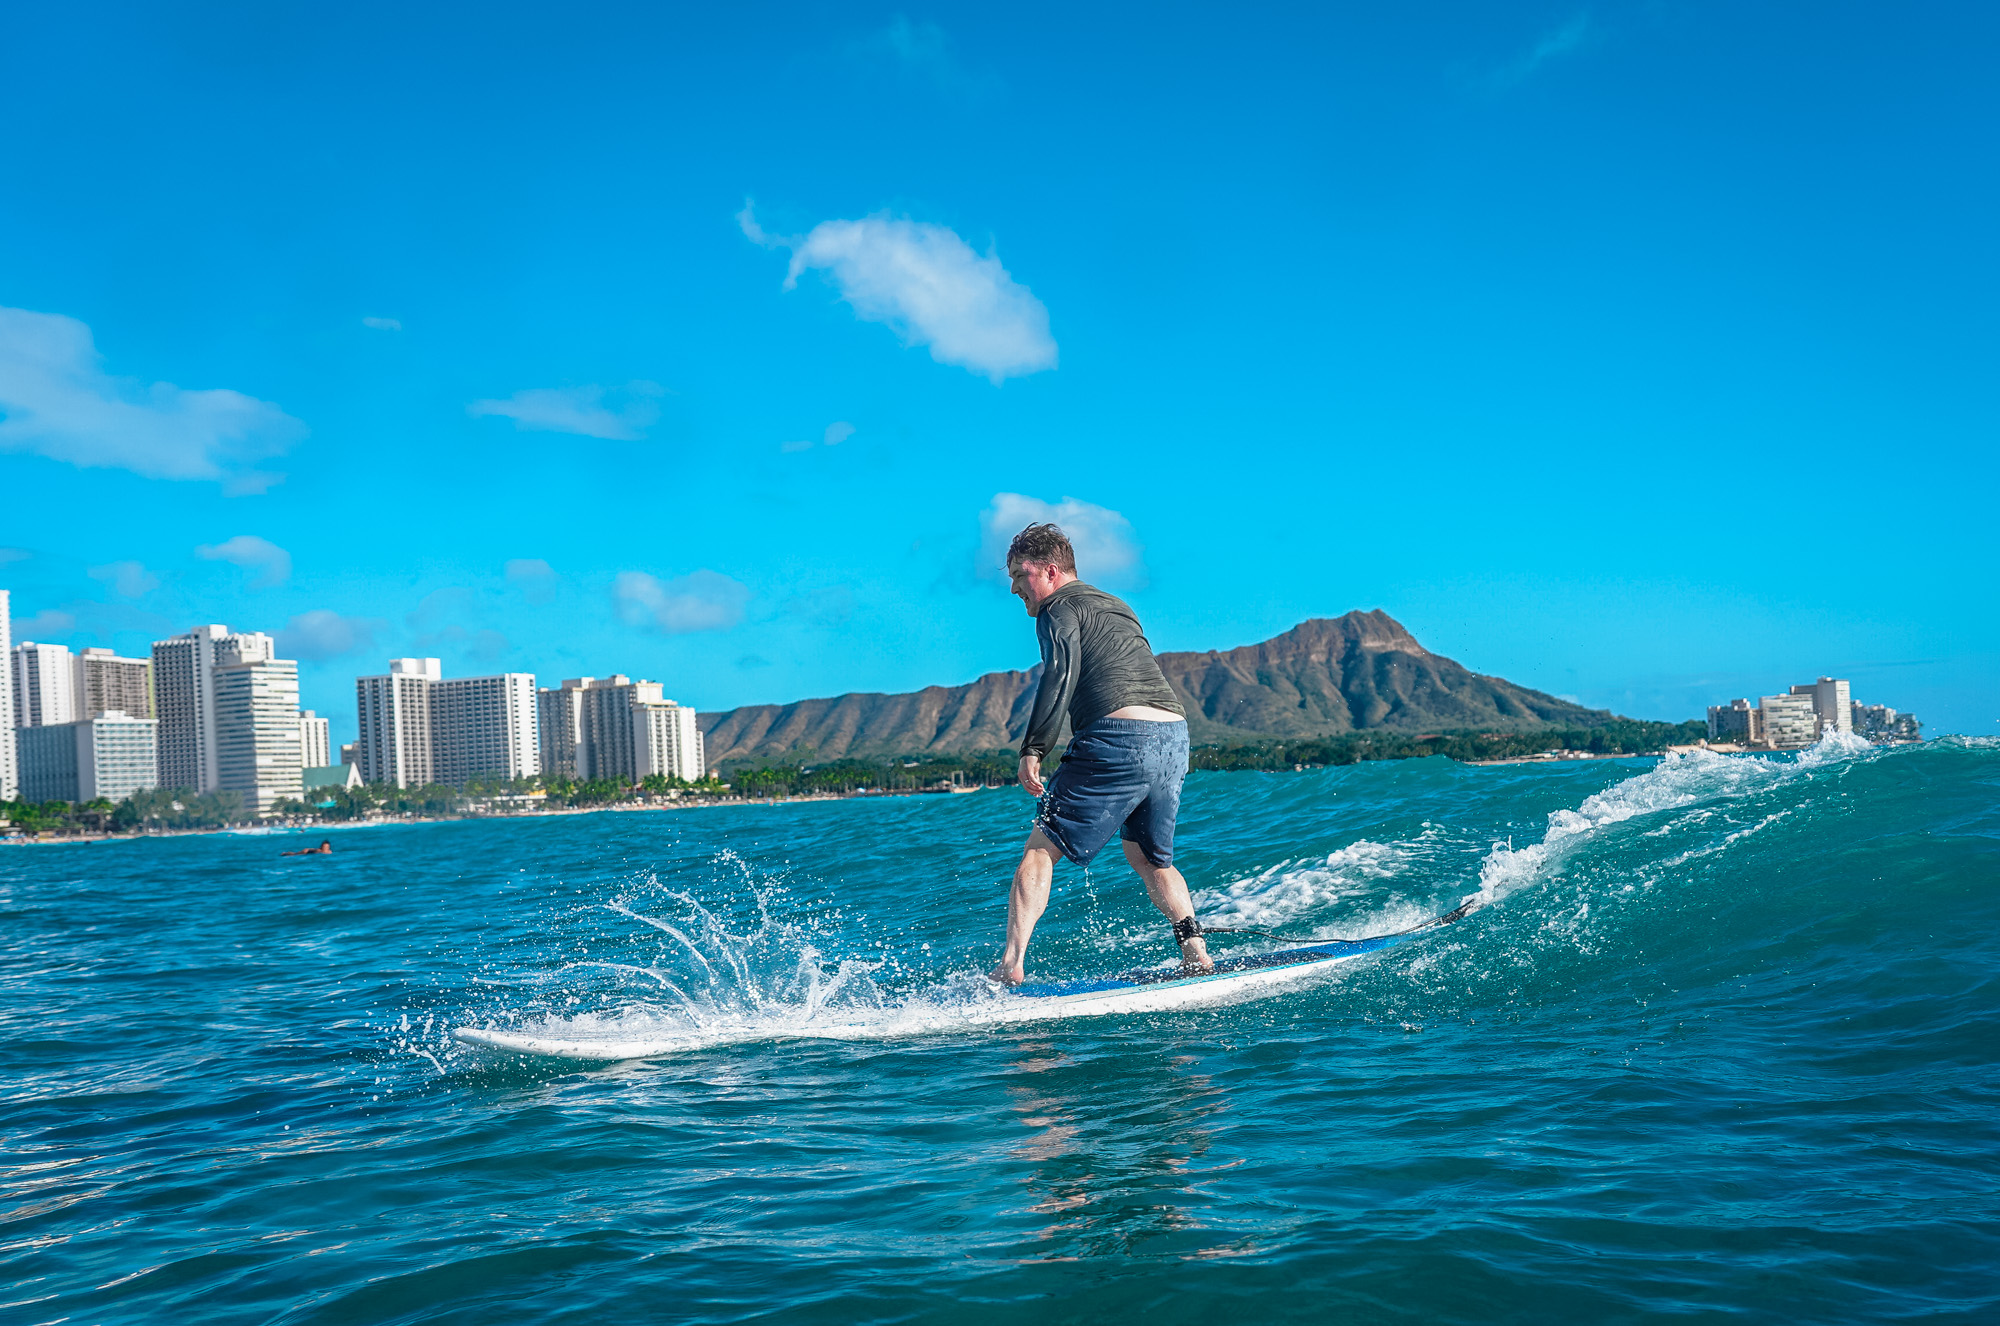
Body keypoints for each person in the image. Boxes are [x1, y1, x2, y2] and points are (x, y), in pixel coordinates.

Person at [989, 522, 1213, 984]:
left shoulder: (1057, 607)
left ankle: (1010, 967)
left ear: (1050, 571)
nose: (1013, 588)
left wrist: (1034, 747)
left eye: (1019, 575)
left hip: (1119, 737)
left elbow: (1059, 671)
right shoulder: (1117, 605)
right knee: (1151, 858)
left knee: (1040, 850)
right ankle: (1196, 952)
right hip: (1174, 736)